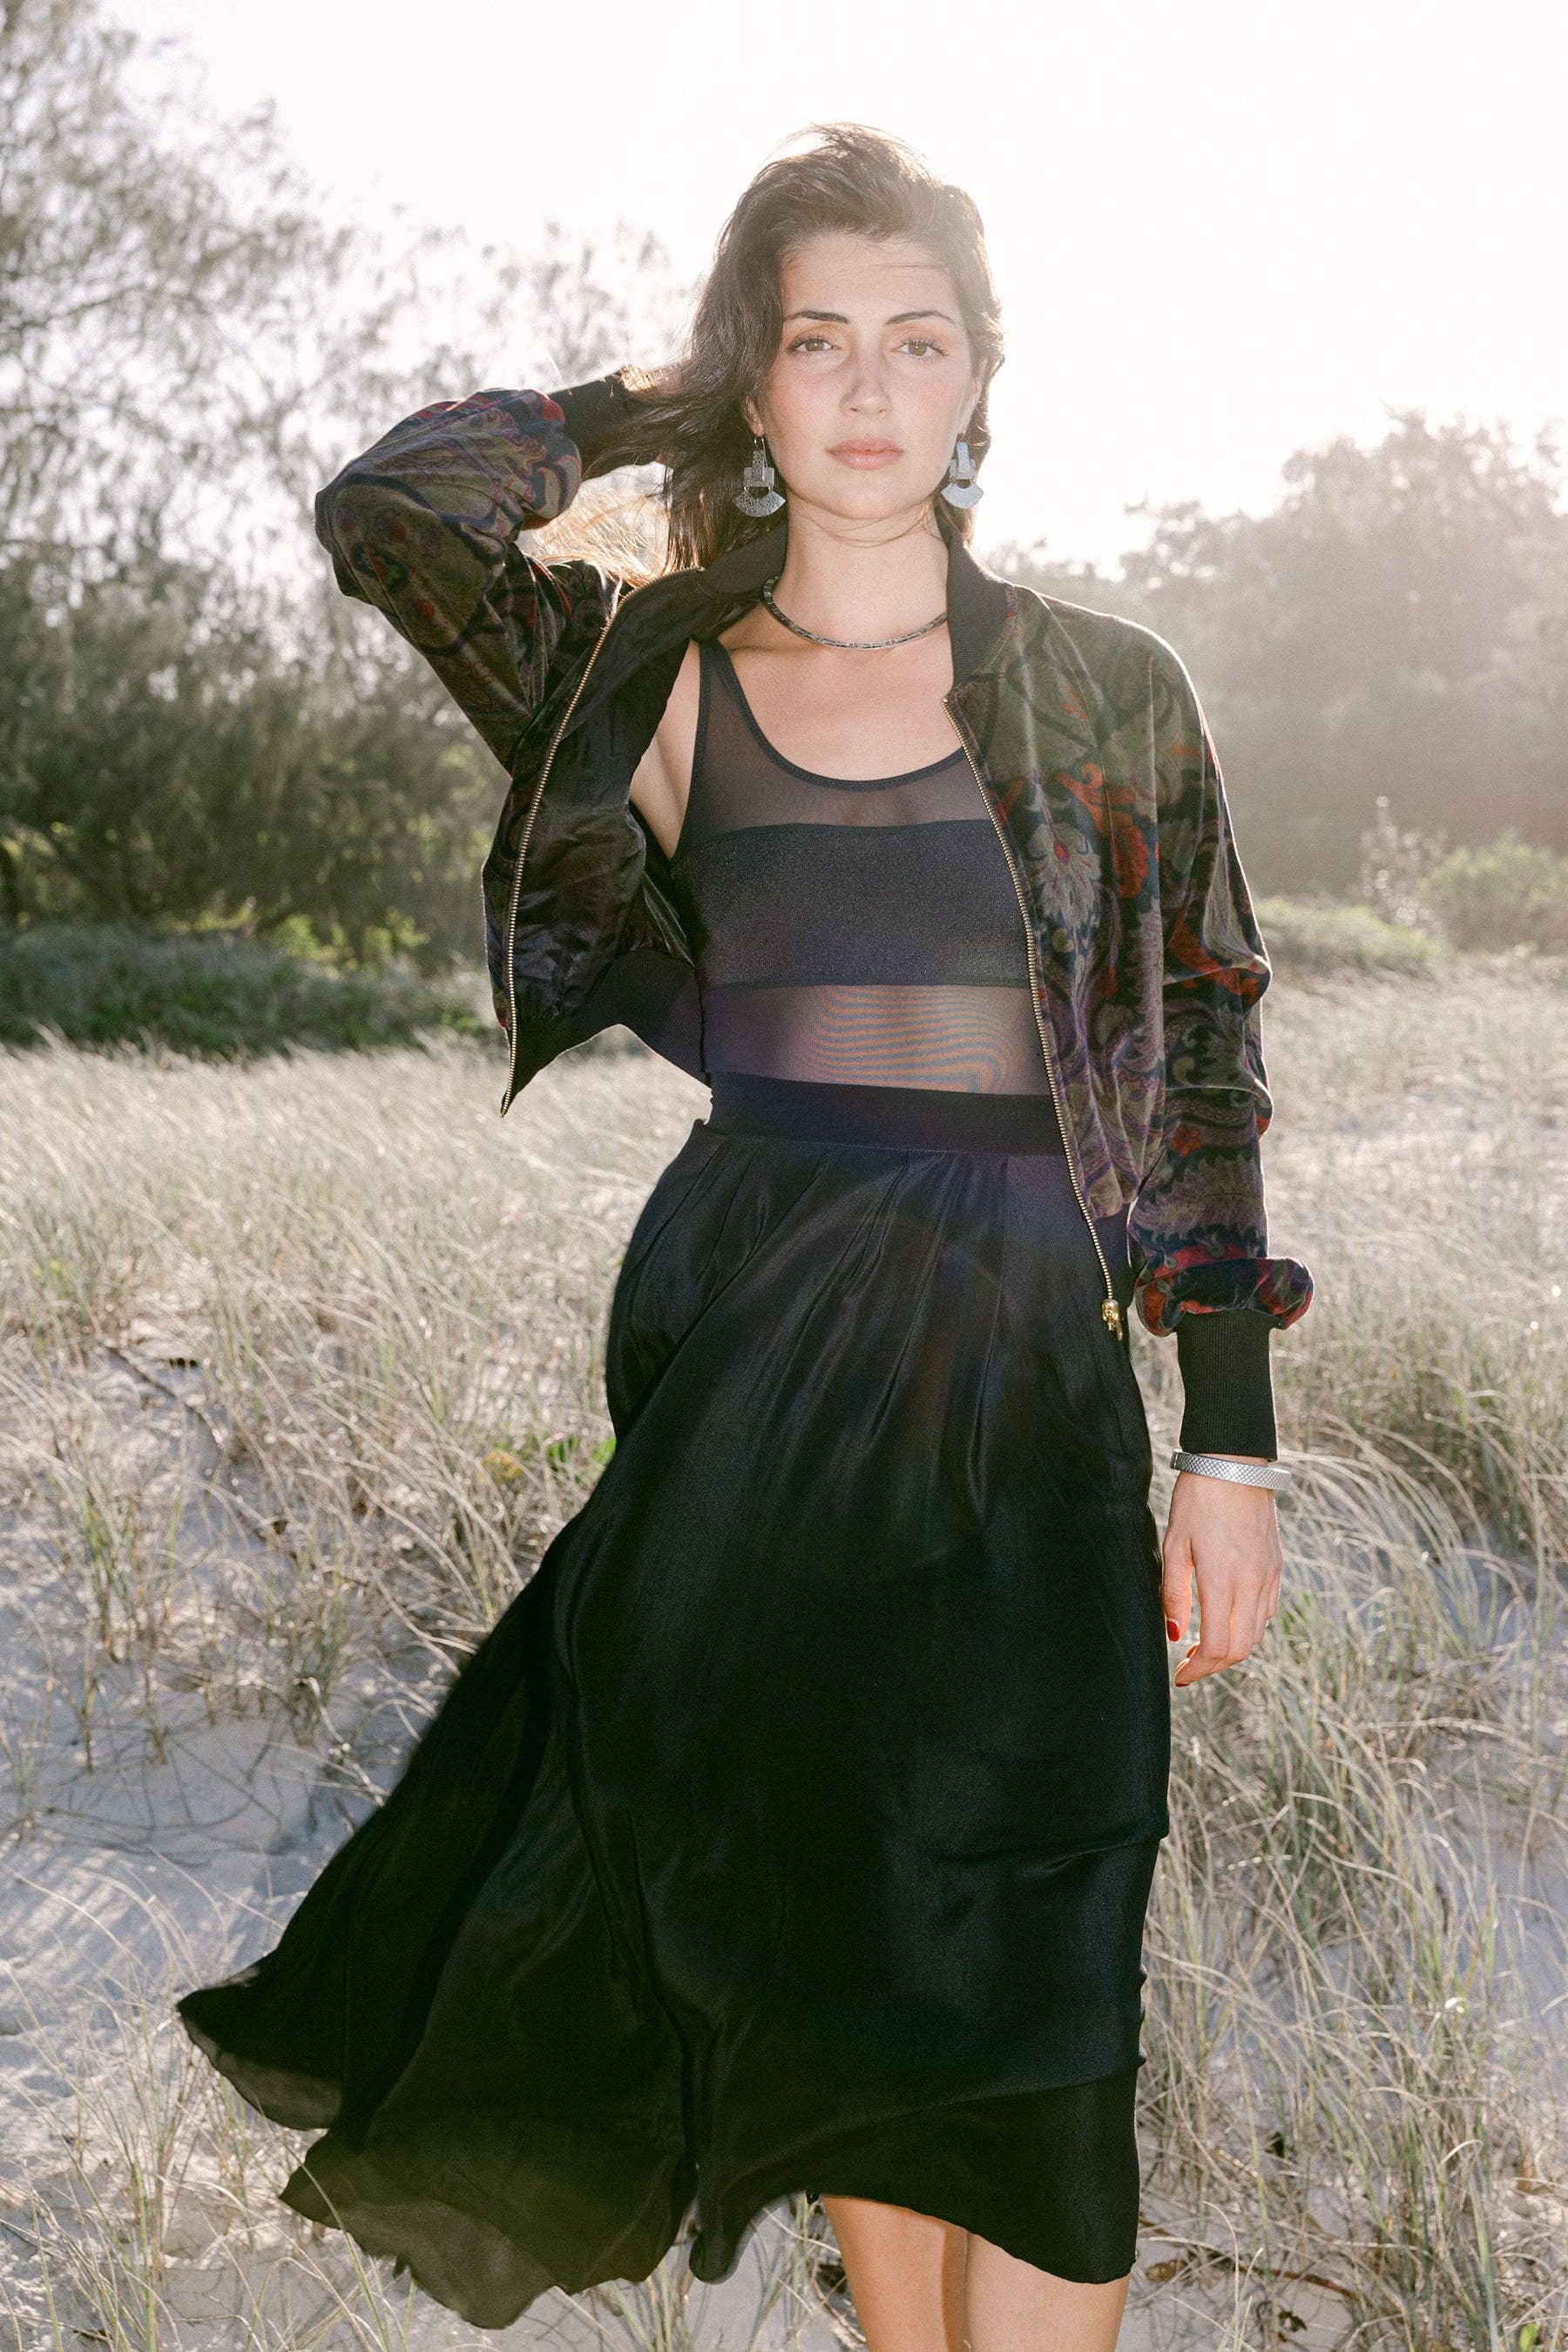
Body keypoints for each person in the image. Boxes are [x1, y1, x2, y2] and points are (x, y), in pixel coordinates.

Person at [176, 121, 1313, 2352]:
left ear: (981, 375)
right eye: (813, 344)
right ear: (755, 379)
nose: (869, 388)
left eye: (917, 339)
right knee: (834, 1924)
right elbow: (396, 514)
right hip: (752, 1368)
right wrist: (653, 407)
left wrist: (1231, 1436)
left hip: (1023, 1359)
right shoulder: (651, 673)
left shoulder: (1104, 687)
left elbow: (1198, 1053)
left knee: (1046, 1937)